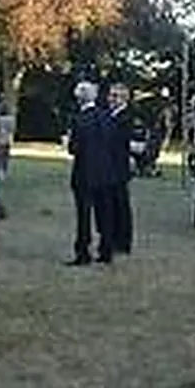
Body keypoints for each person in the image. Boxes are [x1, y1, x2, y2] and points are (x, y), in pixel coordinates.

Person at [66, 81, 109, 266]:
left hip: (83, 172)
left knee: (83, 214)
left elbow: (73, 148)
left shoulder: (78, 119)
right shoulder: (105, 117)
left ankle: (83, 252)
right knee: (104, 212)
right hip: (103, 172)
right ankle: (106, 250)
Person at [101, 82, 135, 256]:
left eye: (115, 96)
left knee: (121, 203)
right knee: (111, 204)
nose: (111, 99)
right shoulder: (109, 114)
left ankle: (123, 241)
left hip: (120, 166)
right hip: (108, 165)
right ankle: (112, 237)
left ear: (124, 98)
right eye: (110, 95)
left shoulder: (127, 117)